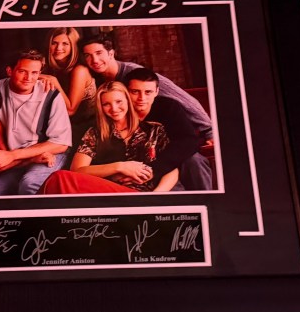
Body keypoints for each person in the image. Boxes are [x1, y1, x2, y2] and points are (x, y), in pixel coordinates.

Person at [41, 81, 177, 194]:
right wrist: (119, 167)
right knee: (60, 178)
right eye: (106, 104)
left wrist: (157, 195)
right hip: (107, 192)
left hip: (143, 194)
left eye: (119, 101)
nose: (114, 108)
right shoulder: (95, 133)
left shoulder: (155, 129)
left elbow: (173, 168)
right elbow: (77, 170)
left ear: (128, 100)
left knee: (59, 179)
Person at [80, 33, 214, 143]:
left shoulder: (134, 73)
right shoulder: (97, 79)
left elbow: (184, 100)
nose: (95, 60)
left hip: (171, 130)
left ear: (111, 54)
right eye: (88, 56)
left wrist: (209, 131)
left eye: (99, 53)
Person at [0, 49, 73, 195]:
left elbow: (61, 143)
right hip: (17, 160)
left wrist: (13, 155)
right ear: (9, 71)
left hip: (47, 154)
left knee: (29, 184)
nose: (28, 78)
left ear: (40, 73)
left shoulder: (51, 94)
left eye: (34, 73)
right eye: (22, 71)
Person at [124, 67, 213, 190]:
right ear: (126, 91)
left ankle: (207, 199)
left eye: (148, 92)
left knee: (194, 160)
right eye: (135, 92)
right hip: (139, 163)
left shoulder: (168, 107)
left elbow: (188, 141)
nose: (142, 98)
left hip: (170, 158)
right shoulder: (119, 111)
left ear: (156, 92)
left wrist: (155, 169)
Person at [37, 27, 95, 139]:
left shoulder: (80, 70)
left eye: (65, 44)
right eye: (54, 43)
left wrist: (54, 81)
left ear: (73, 46)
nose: (59, 48)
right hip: (60, 124)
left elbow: (70, 110)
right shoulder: (49, 67)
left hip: (85, 127)